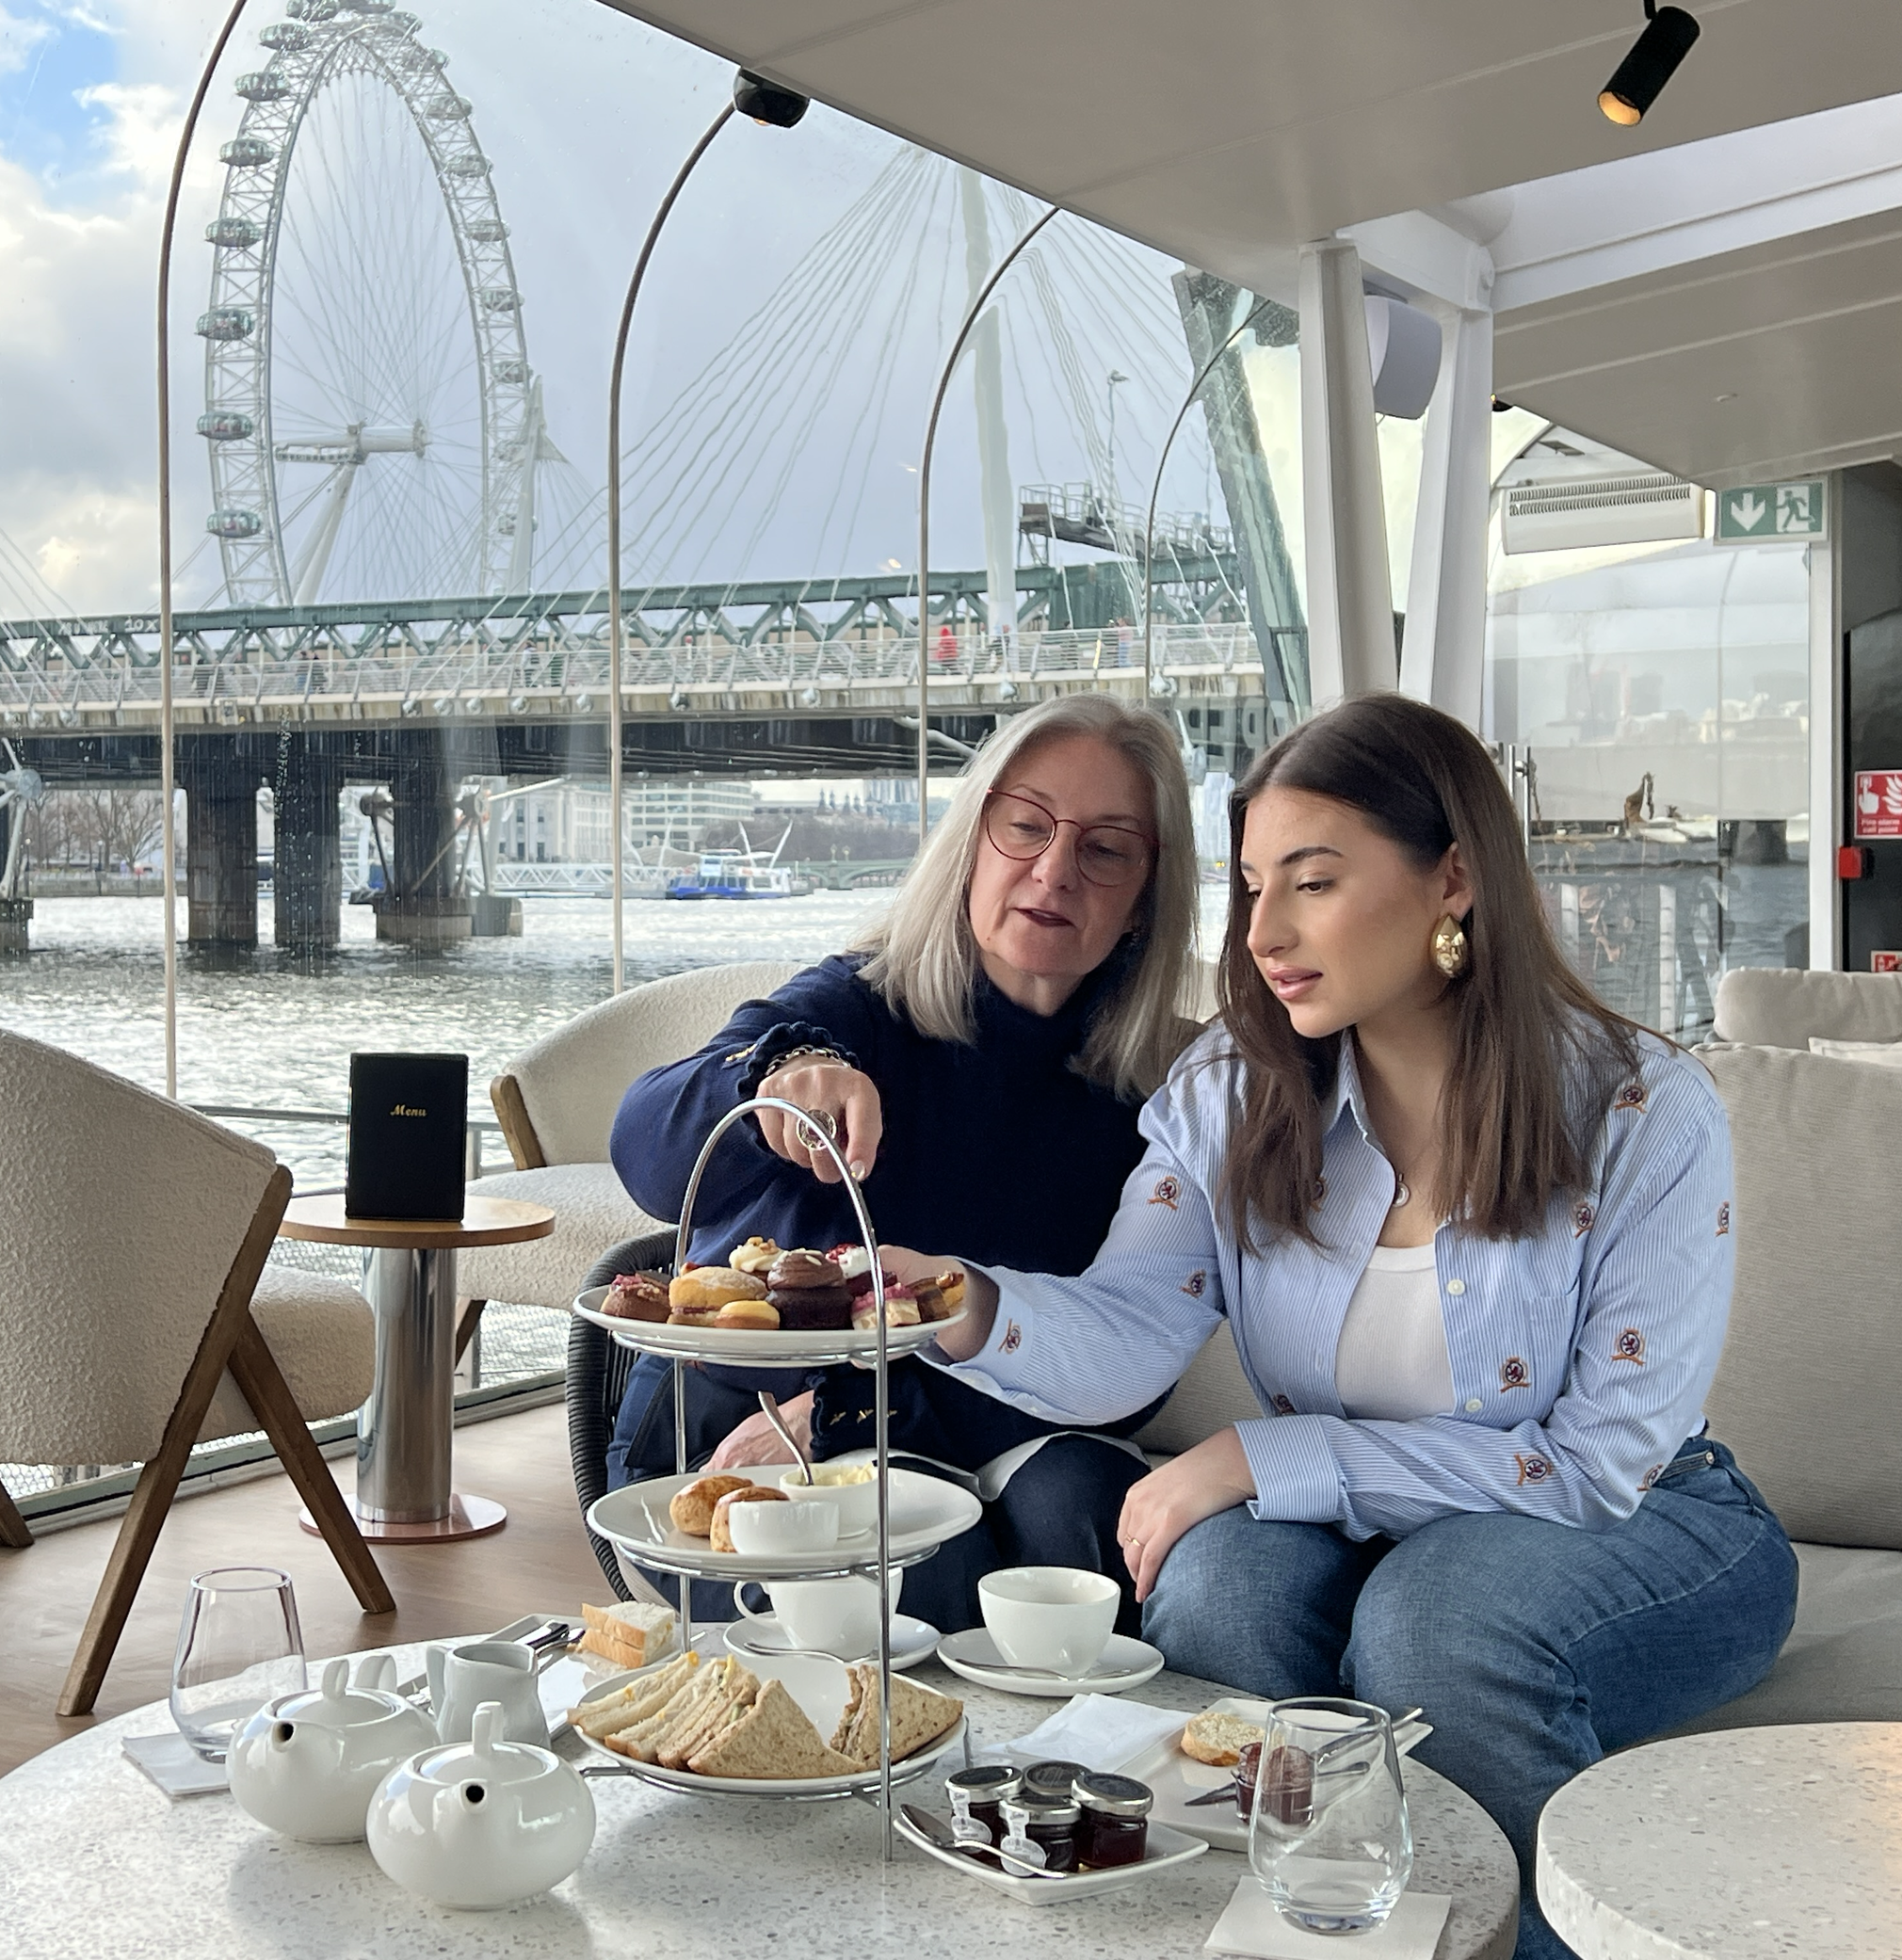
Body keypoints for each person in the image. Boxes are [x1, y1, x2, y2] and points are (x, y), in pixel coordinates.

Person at [882, 695, 1796, 1960]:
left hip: (1639, 1515)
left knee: (1435, 1624)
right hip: (1352, 1511)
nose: (1262, 932)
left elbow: (1596, 1464)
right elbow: (1135, 1326)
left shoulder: (1643, 1112)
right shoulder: (1233, 1090)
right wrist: (962, 1301)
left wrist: (1269, 1456)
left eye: (1311, 882)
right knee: (1209, 1592)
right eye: (1253, 885)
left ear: (1454, 879)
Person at [604, 692, 1203, 1631]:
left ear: (1144, 899)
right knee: (922, 1572)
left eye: (1105, 849)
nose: (1054, 871)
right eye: (1025, 827)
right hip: (740, 1423)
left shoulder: (1159, 1089)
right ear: (971, 842)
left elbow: (1127, 1363)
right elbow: (641, 1149)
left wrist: (865, 1415)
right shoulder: (851, 1008)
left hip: (954, 1422)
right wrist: (774, 1080)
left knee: (1086, 1527)